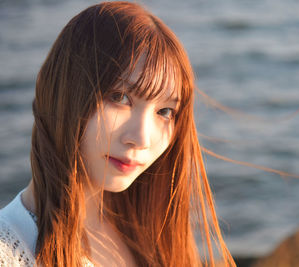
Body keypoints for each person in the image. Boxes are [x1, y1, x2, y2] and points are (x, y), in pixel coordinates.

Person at [0, 2, 236, 266]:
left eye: (165, 111)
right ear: (65, 92)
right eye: (119, 97)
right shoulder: (9, 251)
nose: (142, 139)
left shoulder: (149, 230)